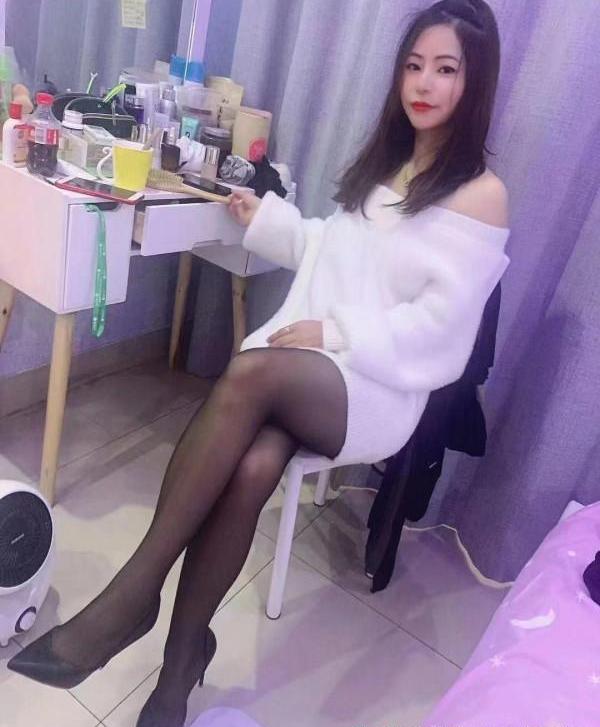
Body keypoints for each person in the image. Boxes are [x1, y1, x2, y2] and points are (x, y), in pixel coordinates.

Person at [8, 1, 511, 725]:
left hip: (380, 386)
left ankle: (132, 595)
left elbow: (442, 334)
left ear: (476, 80)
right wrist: (266, 220)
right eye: (413, 65)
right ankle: (180, 666)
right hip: (316, 367)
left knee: (251, 371)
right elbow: (331, 255)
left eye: (446, 69)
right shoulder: (390, 163)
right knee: (251, 467)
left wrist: (334, 331)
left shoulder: (482, 196)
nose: (424, 83)